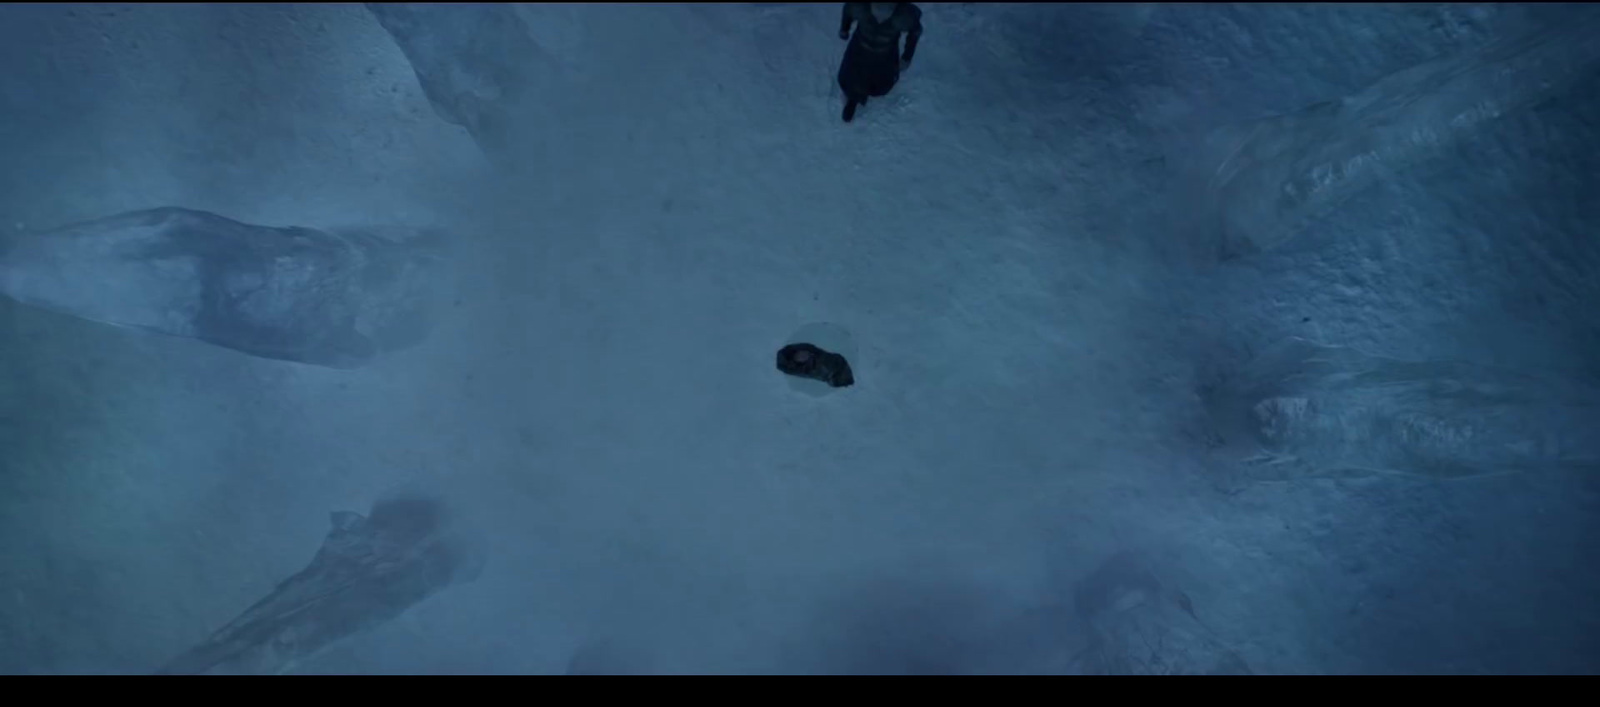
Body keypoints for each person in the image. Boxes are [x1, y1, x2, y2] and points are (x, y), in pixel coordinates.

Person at [836, 2, 923, 122]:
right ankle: (853, 98)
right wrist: (844, 29)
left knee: (879, 86)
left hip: (884, 55)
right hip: (860, 49)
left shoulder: (903, 16)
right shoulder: (861, 7)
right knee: (850, 78)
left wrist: (907, 56)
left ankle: (856, 96)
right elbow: (848, 10)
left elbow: (915, 30)